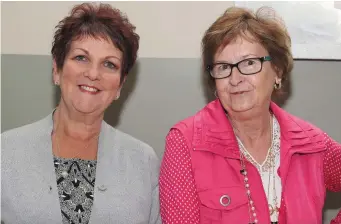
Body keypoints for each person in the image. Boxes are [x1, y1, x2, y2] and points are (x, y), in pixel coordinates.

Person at [159, 6, 341, 224]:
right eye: (223, 67)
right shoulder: (185, 143)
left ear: (277, 71)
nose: (235, 78)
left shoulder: (311, 144)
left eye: (249, 63)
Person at [1, 3, 160, 224]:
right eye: (81, 58)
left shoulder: (143, 161)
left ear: (121, 85)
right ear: (57, 69)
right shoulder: (6, 152)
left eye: (109, 64)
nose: (93, 73)